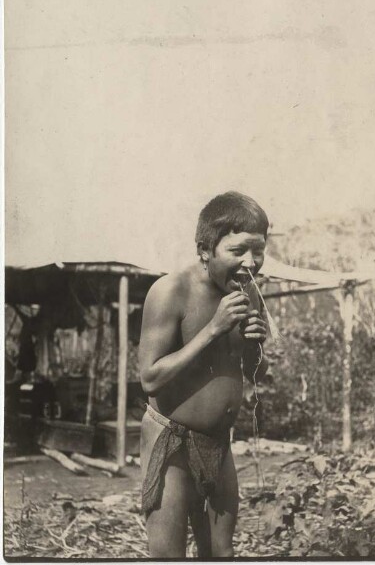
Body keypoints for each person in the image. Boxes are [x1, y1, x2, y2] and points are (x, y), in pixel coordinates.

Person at [139, 191, 270, 558]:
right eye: (239, 250)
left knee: (221, 555)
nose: (251, 263)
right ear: (205, 249)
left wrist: (254, 346)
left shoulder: (246, 293)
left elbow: (254, 372)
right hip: (172, 443)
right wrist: (213, 328)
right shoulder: (170, 291)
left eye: (258, 250)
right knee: (169, 557)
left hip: (218, 442)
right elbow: (149, 378)